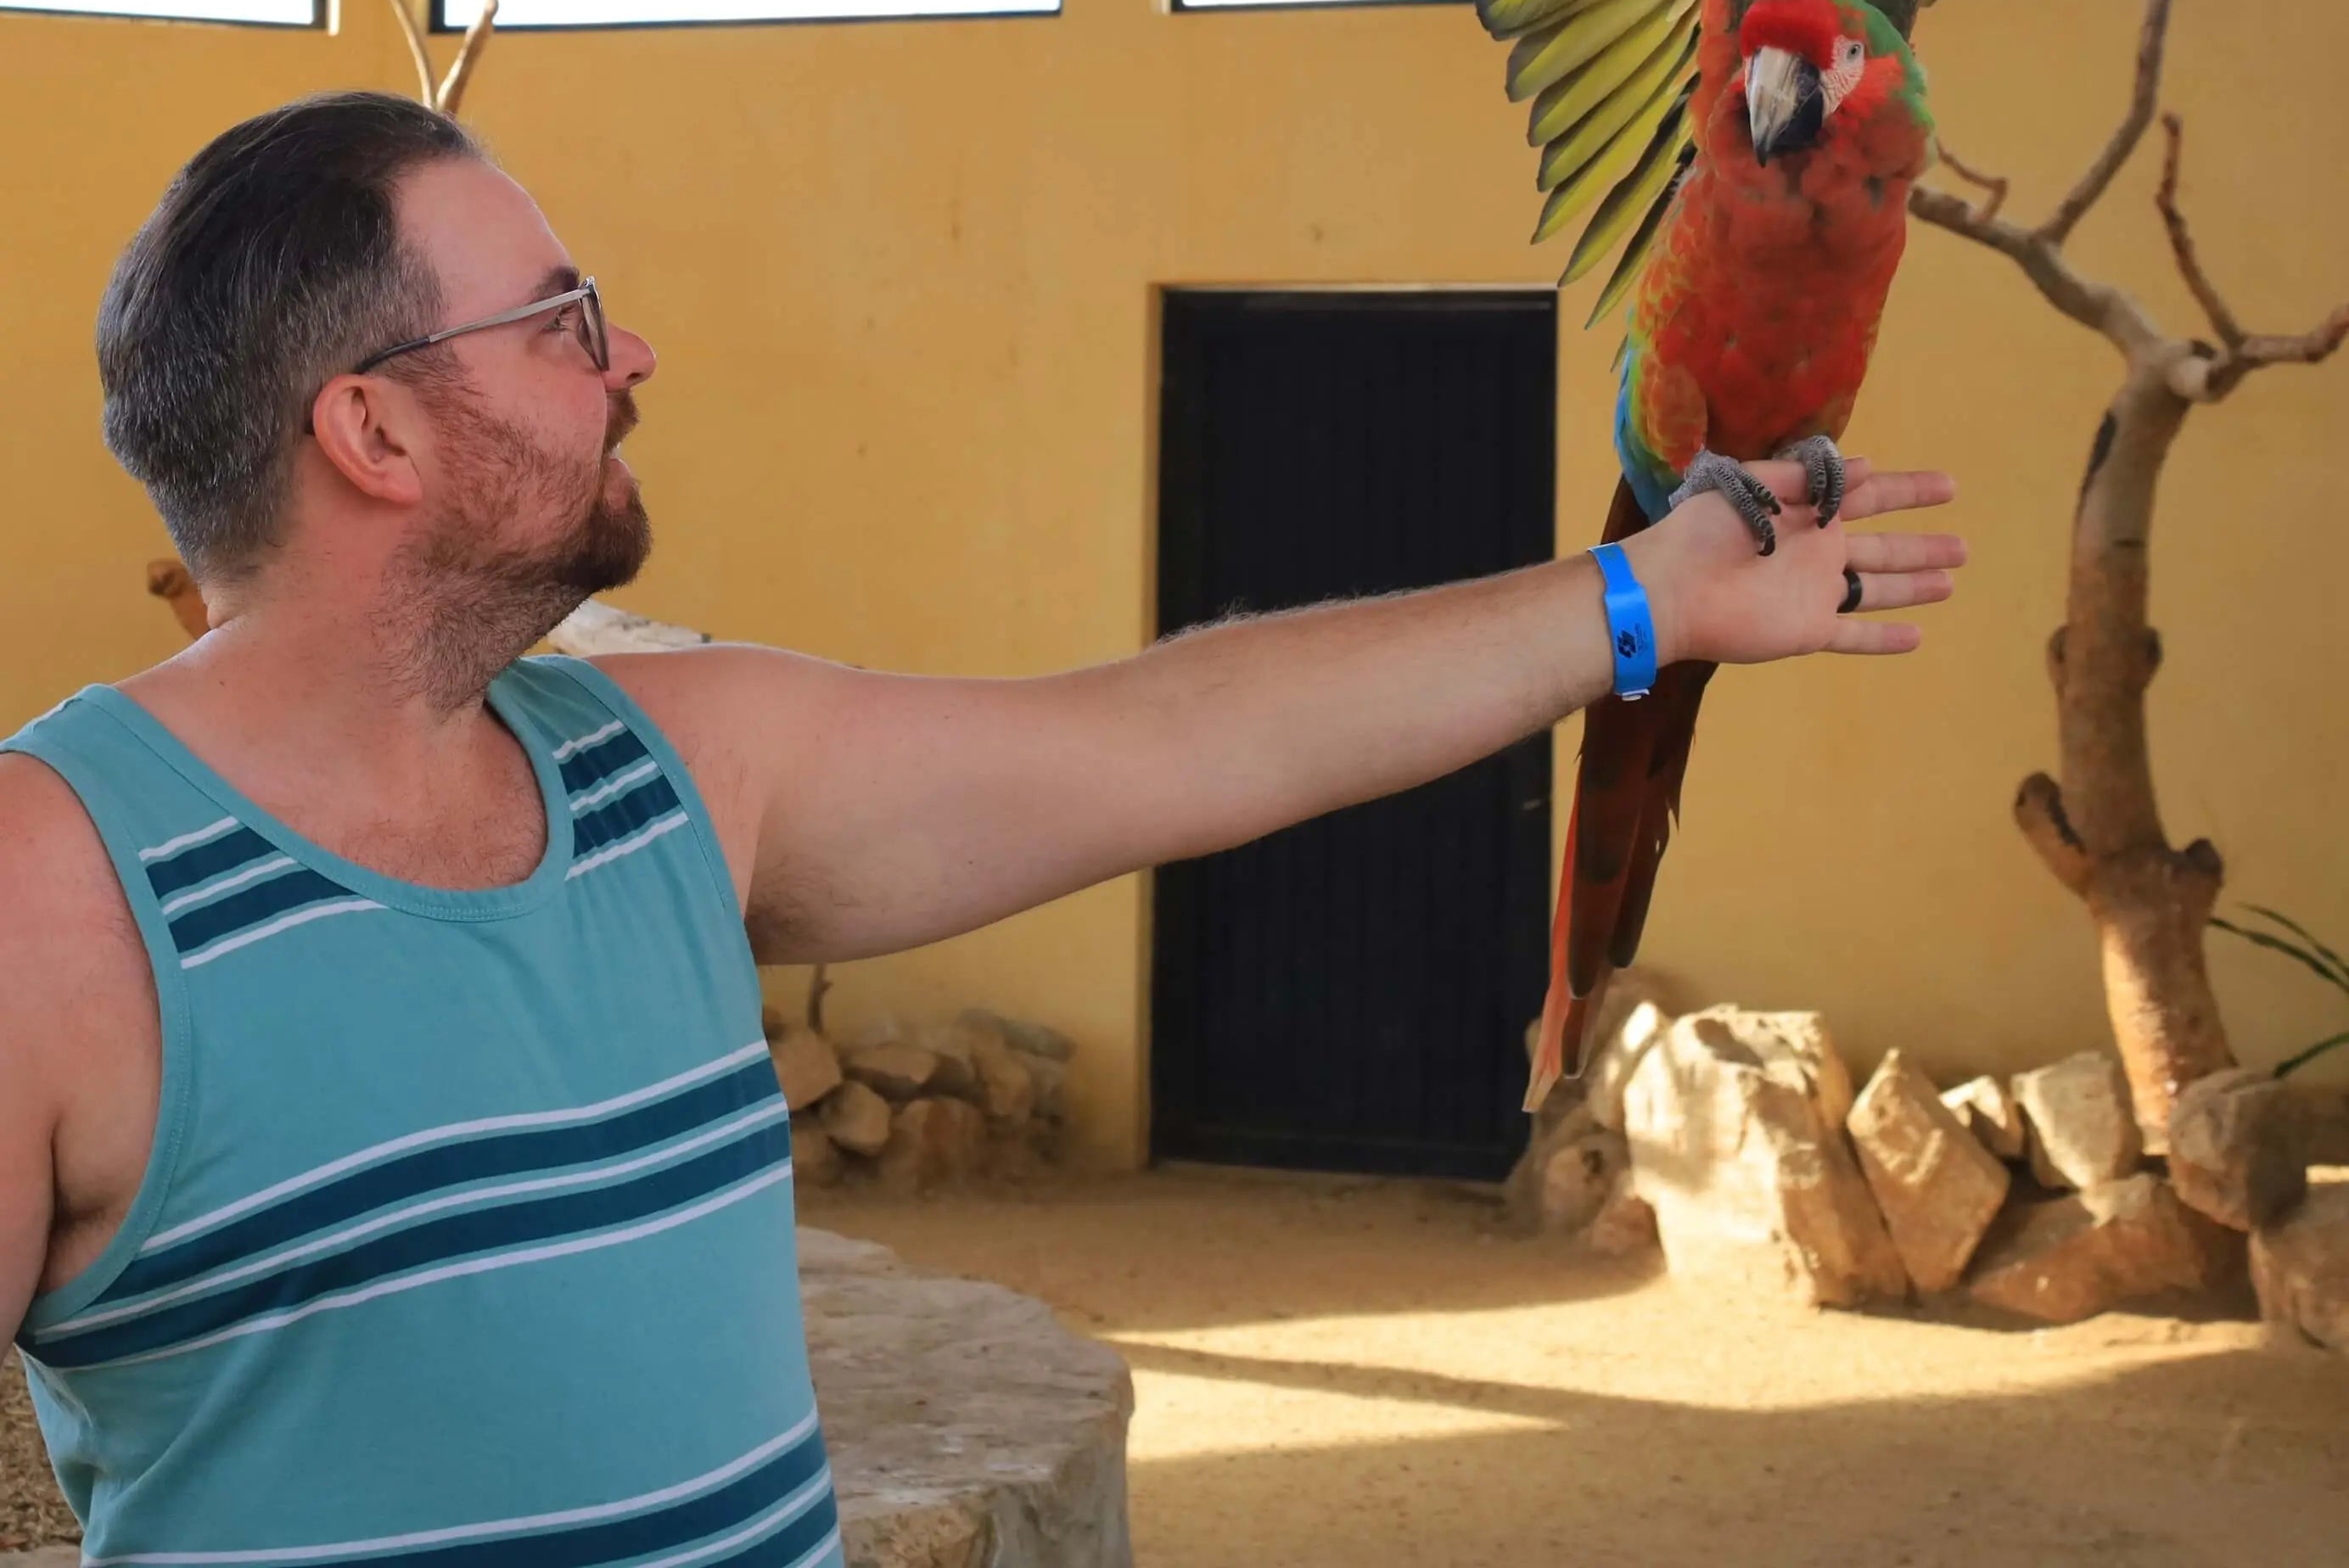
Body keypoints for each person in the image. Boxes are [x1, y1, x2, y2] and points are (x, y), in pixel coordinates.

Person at [0, 92, 1964, 1562]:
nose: (634, 356)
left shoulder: (672, 774)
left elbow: (1178, 735)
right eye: (562, 319)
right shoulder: (49, 890)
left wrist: (1650, 596)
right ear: (378, 432)